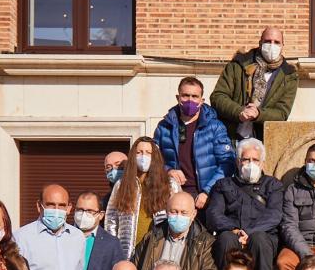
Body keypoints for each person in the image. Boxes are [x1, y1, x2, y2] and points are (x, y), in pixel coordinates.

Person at [206, 139, 284, 270]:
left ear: (262, 163)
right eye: (246, 159)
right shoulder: (223, 185)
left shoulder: (273, 185)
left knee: (259, 239)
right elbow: (214, 214)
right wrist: (234, 230)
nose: (251, 164)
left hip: (262, 237)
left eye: (255, 160)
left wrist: (248, 232)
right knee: (226, 239)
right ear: (238, 161)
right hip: (232, 233)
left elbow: (274, 214)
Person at [153, 76, 235, 210]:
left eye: (195, 96)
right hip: (172, 194)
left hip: (204, 197)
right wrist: (168, 171)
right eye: (185, 95)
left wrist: (208, 191)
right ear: (178, 98)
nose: (190, 100)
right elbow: (154, 161)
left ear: (202, 100)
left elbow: (227, 163)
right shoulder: (164, 127)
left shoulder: (215, 127)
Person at [210, 27, 299, 141]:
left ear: (282, 46)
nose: (272, 45)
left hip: (262, 141)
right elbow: (217, 97)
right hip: (229, 137)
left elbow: (282, 113)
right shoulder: (238, 65)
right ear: (260, 43)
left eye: (276, 42)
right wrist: (239, 111)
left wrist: (258, 114)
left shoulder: (289, 75)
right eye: (267, 41)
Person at [131, 191, 218, 270]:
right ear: (167, 212)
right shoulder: (152, 238)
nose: (178, 216)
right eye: (174, 211)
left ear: (193, 214)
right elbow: (134, 268)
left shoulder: (205, 243)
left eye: (184, 213)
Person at [104, 137, 171, 251]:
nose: (143, 156)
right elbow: (111, 222)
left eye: (148, 152)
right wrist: (114, 251)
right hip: (127, 252)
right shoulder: (121, 185)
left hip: (157, 251)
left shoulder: (169, 184)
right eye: (139, 152)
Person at [73, 190, 126, 270]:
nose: (83, 215)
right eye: (80, 210)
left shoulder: (111, 243)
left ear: (101, 215)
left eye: (89, 211)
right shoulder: (63, 236)